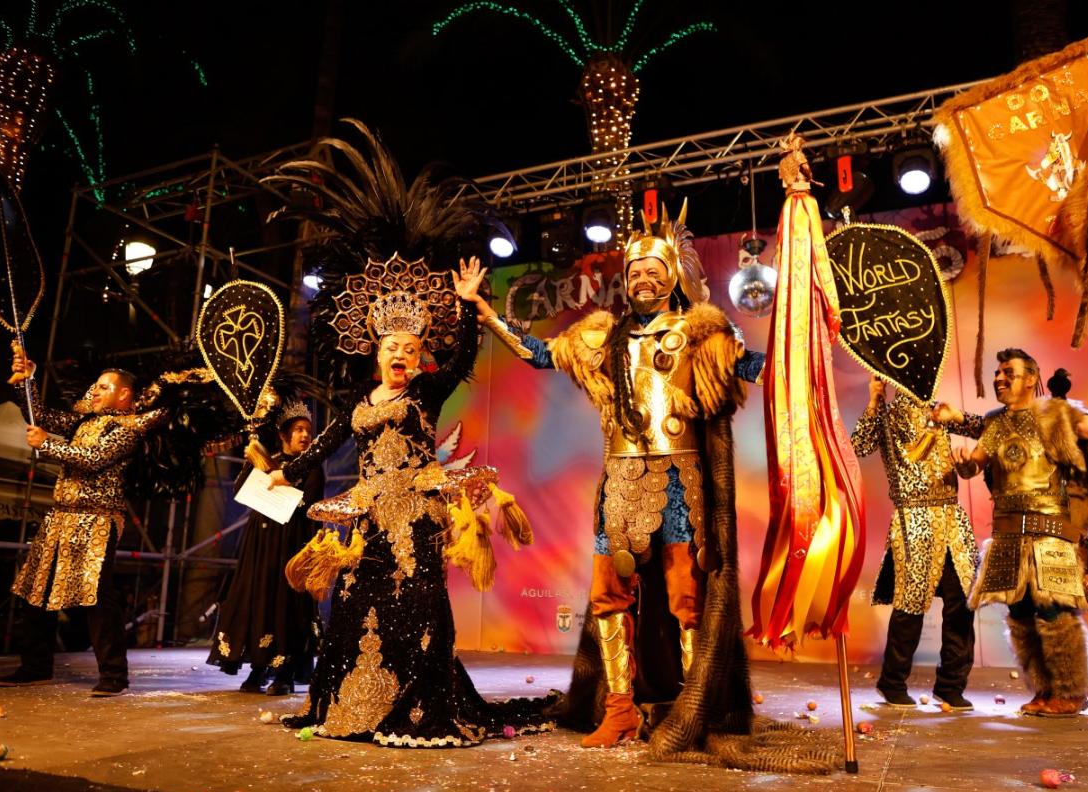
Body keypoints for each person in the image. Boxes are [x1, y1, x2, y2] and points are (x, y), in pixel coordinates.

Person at [479, 205, 770, 750]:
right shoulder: (603, 340)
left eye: (652, 272)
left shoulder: (699, 332)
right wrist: (486, 311)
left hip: (680, 480)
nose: (642, 278)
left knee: (686, 595)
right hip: (620, 484)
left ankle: (693, 708)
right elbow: (544, 354)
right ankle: (619, 711)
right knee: (608, 594)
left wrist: (803, 352)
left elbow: (751, 366)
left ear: (671, 279)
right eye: (634, 272)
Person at [268, 257, 552, 746]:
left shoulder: (426, 392)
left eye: (411, 348)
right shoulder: (359, 399)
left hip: (417, 514)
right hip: (369, 517)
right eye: (392, 346)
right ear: (378, 353)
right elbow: (329, 442)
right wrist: (284, 470)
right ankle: (356, 705)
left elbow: (463, 359)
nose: (401, 353)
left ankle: (417, 705)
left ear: (420, 358)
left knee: (419, 603)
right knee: (358, 604)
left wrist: (467, 309)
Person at [941, 348, 1088, 718]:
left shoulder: (1059, 415)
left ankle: (1071, 692)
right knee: (1021, 615)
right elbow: (976, 462)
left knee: (1054, 614)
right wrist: (965, 466)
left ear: (1031, 377)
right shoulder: (995, 423)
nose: (999, 378)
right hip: (1009, 535)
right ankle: (1045, 690)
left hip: (1051, 535)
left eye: (1007, 372)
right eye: (997, 373)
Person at [0, 355, 164, 696]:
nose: (95, 391)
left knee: (96, 596)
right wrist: (29, 378)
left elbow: (93, 459)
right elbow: (39, 415)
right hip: (60, 516)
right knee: (36, 589)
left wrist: (49, 444)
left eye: (104, 387)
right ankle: (36, 665)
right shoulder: (82, 421)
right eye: (95, 385)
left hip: (97, 517)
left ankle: (114, 675)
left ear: (125, 395)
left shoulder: (129, 427)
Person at [850, 376, 982, 710]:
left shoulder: (942, 413)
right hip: (914, 519)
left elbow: (987, 432)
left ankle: (951, 686)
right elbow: (857, 446)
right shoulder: (887, 413)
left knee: (963, 600)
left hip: (952, 518)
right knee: (910, 604)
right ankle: (892, 683)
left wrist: (959, 419)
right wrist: (873, 401)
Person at [207, 402, 324, 695]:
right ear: (284, 434)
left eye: (307, 431)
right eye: (298, 430)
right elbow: (241, 491)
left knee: (286, 606)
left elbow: (303, 504)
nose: (304, 436)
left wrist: (272, 473)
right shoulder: (268, 460)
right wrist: (253, 458)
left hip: (291, 544)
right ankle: (259, 669)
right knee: (257, 600)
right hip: (260, 544)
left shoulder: (310, 468)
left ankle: (284, 673)